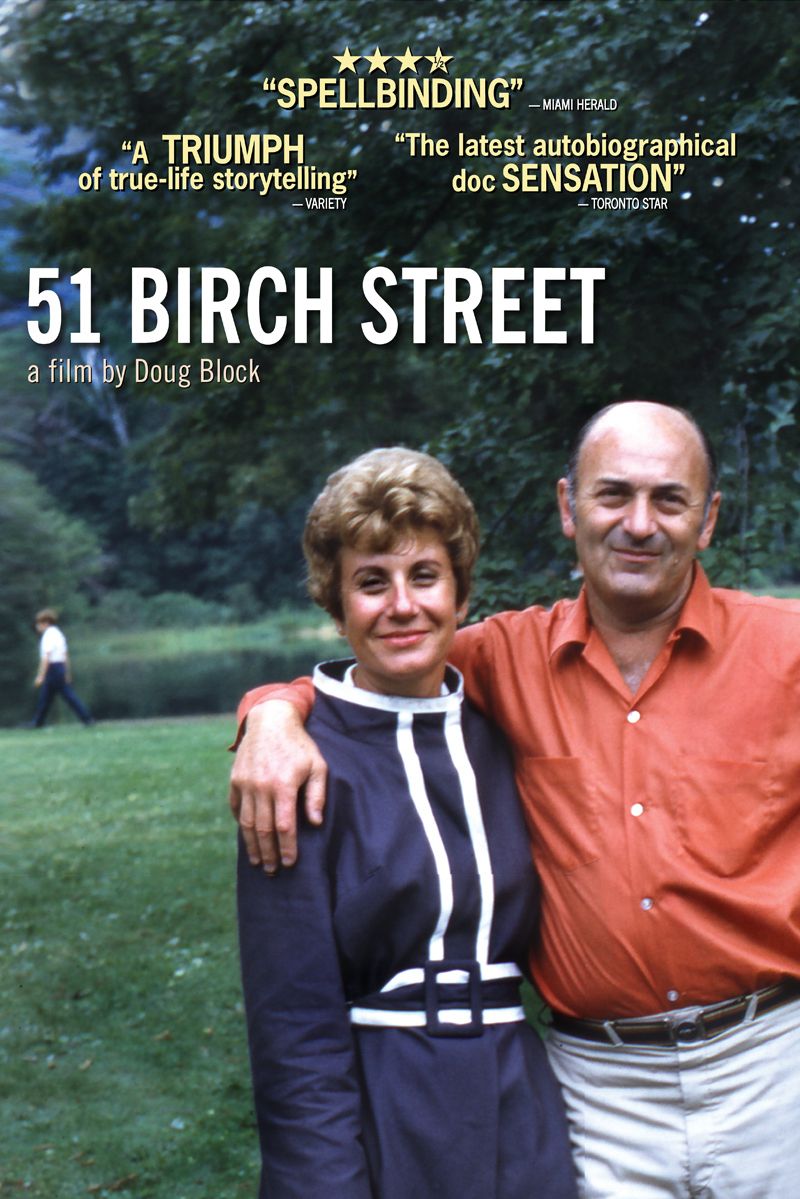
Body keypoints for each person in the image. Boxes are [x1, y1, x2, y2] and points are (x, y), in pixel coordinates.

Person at [230, 401, 800, 1199]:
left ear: (707, 519)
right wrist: (272, 712)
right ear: (569, 506)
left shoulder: (786, 649)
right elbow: (384, 666)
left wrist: (270, 709)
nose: (639, 523)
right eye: (613, 494)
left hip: (772, 1063)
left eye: (669, 499)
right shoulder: (505, 658)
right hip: (600, 1087)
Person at [237, 447, 578, 1199]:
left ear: (460, 591)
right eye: (370, 582)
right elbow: (293, 1026)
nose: (401, 605)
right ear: (336, 604)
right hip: (384, 1110)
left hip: (521, 1103)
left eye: (424, 575)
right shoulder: (295, 764)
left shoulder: (502, 732)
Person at [29, 608, 93, 728]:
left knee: (67, 696)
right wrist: (67, 672)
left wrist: (40, 676)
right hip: (60, 667)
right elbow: (65, 655)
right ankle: (38, 722)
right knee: (46, 697)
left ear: (46, 623)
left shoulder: (48, 636)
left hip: (52, 668)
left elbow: (46, 657)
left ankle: (87, 719)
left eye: (39, 623)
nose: (38, 626)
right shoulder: (59, 634)